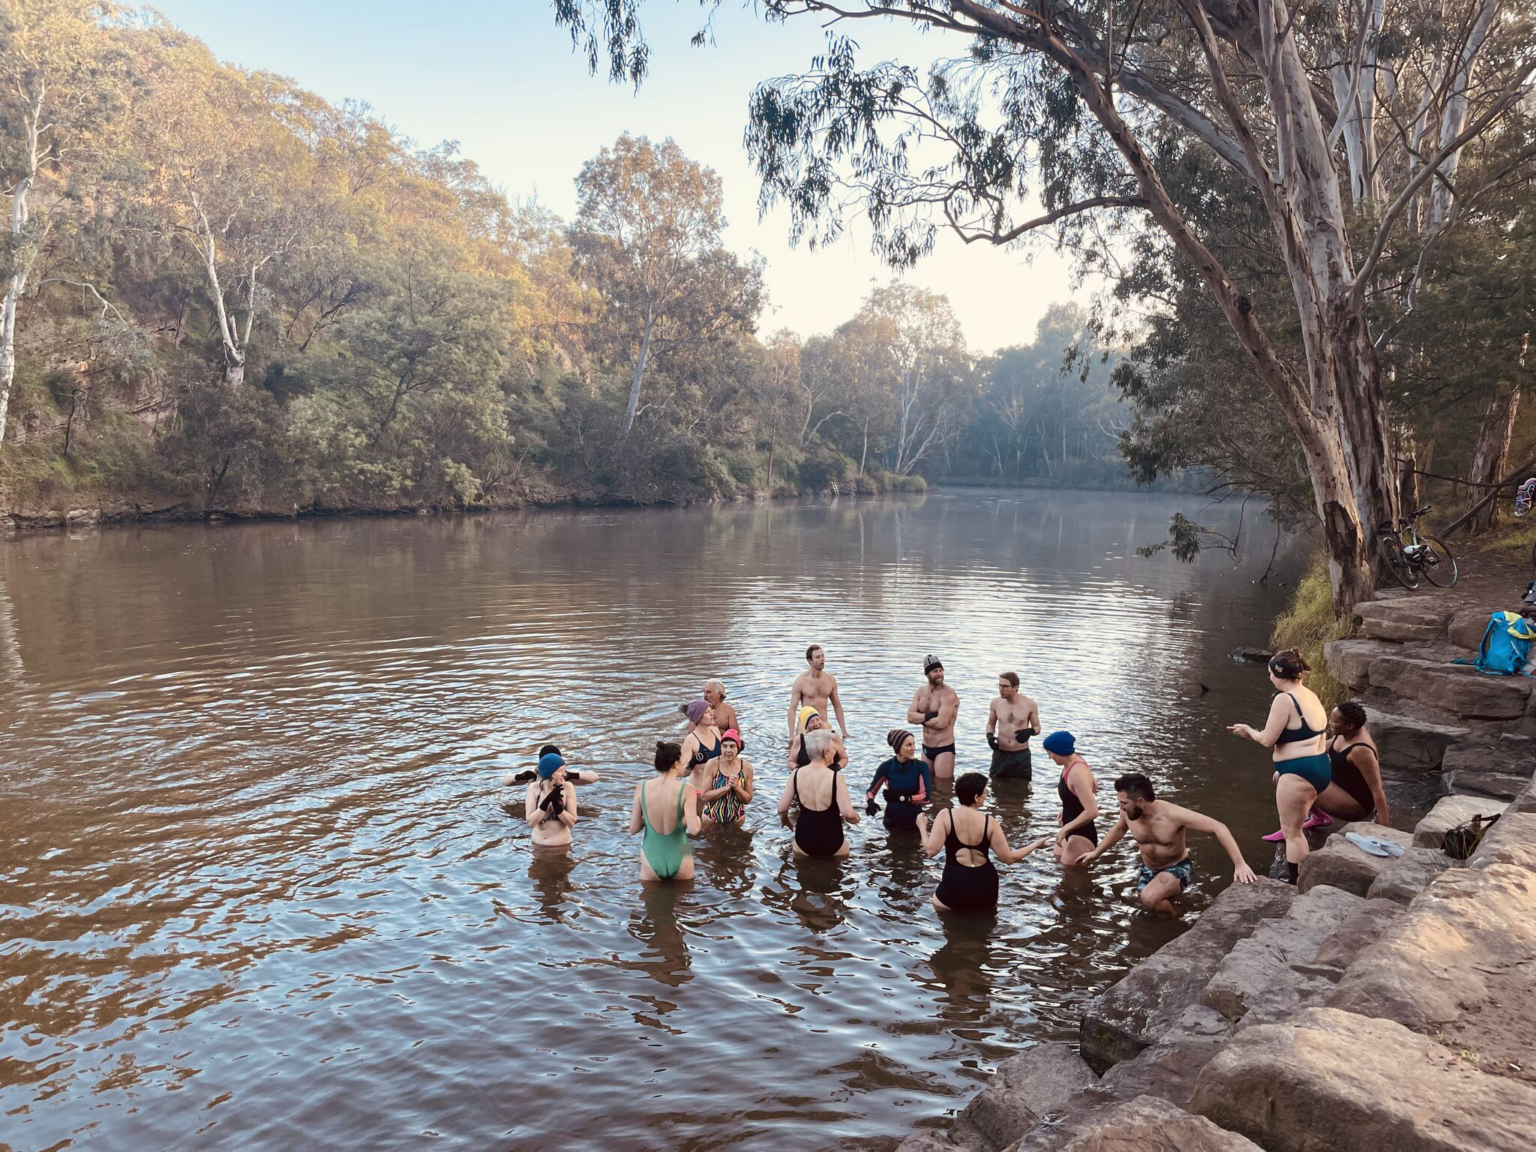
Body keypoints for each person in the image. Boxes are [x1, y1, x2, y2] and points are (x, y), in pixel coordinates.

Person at [1081, 773, 1258, 915]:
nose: (1121, 807)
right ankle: (1171, 913)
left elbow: (1219, 827)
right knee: (1148, 907)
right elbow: (1119, 830)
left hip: (1177, 867)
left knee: (1150, 899)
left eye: (1124, 803)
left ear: (1140, 801)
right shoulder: (1128, 813)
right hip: (1148, 868)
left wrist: (1239, 864)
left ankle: (1177, 917)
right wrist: (1096, 853)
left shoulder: (1173, 815)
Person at [1228, 649, 1331, 884]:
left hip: (1299, 772)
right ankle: (1310, 817)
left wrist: (1248, 731)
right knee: (1277, 778)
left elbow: (1266, 740)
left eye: (1270, 673)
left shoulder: (1285, 699)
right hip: (1318, 767)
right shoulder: (1310, 695)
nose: (1269, 678)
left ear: (1279, 673)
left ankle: (1296, 884)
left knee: (1293, 833)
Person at [915, 772, 1050, 912]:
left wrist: (922, 827)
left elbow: (931, 851)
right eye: (985, 792)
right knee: (986, 917)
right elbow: (1008, 858)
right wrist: (1036, 844)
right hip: (986, 888)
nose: (986, 796)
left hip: (956, 885)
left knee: (938, 906)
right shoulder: (989, 822)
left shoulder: (945, 815)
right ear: (975, 797)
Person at [776, 728, 860, 857]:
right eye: (833, 748)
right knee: (841, 868)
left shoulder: (796, 774)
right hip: (833, 841)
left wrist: (785, 821)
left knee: (802, 871)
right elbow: (848, 814)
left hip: (804, 840)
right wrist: (857, 819)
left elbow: (782, 808)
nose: (835, 751)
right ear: (826, 753)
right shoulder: (836, 777)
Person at [629, 741, 702, 881]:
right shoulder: (687, 790)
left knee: (651, 900)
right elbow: (694, 829)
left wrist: (649, 820)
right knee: (686, 899)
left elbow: (633, 829)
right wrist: (695, 819)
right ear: (676, 763)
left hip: (651, 855)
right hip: (681, 854)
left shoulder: (642, 787)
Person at [1043, 730, 1098, 865]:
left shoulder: (1077, 772)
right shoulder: (1069, 764)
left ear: (1061, 752)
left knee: (1072, 877)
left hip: (1080, 835)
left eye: (1050, 753)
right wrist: (1068, 807)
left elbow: (1092, 811)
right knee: (1056, 865)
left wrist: (1065, 829)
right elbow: (1094, 786)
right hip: (1070, 828)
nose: (1049, 757)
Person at [865, 729, 933, 831]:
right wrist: (870, 802)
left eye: (914, 744)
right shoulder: (886, 767)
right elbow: (871, 791)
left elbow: (926, 797)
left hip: (914, 823)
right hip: (890, 822)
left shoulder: (921, 767)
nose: (913, 748)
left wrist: (902, 798)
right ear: (898, 748)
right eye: (909, 745)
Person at [907, 655, 960, 780]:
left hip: (943, 748)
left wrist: (920, 719)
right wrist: (928, 716)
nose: (939, 674)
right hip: (926, 747)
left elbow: (941, 723)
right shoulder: (921, 692)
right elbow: (910, 717)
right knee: (927, 785)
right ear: (927, 674)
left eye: (941, 670)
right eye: (935, 671)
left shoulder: (948, 694)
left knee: (943, 789)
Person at [787, 644, 849, 740]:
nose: (822, 659)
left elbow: (837, 706)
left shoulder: (830, 680)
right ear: (810, 661)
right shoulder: (800, 682)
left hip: (824, 725)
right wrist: (791, 736)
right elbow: (792, 710)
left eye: (823, 656)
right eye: (818, 657)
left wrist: (844, 732)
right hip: (806, 727)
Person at [986, 672, 1039, 781]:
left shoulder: (1029, 704)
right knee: (996, 786)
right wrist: (989, 736)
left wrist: (1030, 731)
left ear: (1015, 687)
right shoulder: (995, 703)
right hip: (1001, 753)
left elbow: (1037, 727)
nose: (1001, 689)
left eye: (1005, 686)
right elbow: (991, 724)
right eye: (999, 685)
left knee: (1022, 786)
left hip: (1021, 754)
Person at [701, 728, 754, 828]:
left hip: (737, 819)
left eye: (732, 746)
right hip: (711, 819)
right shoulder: (712, 764)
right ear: (720, 748)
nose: (728, 750)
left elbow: (748, 800)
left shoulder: (746, 767)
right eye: (724, 746)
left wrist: (737, 788)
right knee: (710, 843)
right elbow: (704, 796)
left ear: (738, 748)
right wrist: (726, 788)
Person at [526, 752, 578, 848]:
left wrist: (558, 806)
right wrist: (546, 802)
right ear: (550, 774)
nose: (565, 774)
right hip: (537, 847)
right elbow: (531, 822)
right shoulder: (534, 788)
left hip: (562, 847)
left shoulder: (568, 787)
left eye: (564, 770)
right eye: (560, 771)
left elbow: (571, 823)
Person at [679, 699, 723, 795]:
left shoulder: (715, 731)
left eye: (711, 710)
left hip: (718, 789)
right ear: (698, 717)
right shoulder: (690, 740)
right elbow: (682, 772)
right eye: (707, 712)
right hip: (698, 791)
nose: (712, 714)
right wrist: (693, 762)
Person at [504, 744, 599, 787]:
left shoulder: (563, 776)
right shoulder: (532, 776)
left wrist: (572, 775)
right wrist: (519, 776)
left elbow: (594, 777)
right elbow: (505, 782)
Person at [787, 707, 848, 771]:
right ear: (806, 725)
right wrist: (799, 770)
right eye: (811, 721)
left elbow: (844, 758)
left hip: (829, 774)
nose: (816, 724)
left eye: (818, 719)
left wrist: (836, 768)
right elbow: (791, 761)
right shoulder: (800, 739)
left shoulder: (833, 736)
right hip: (807, 775)